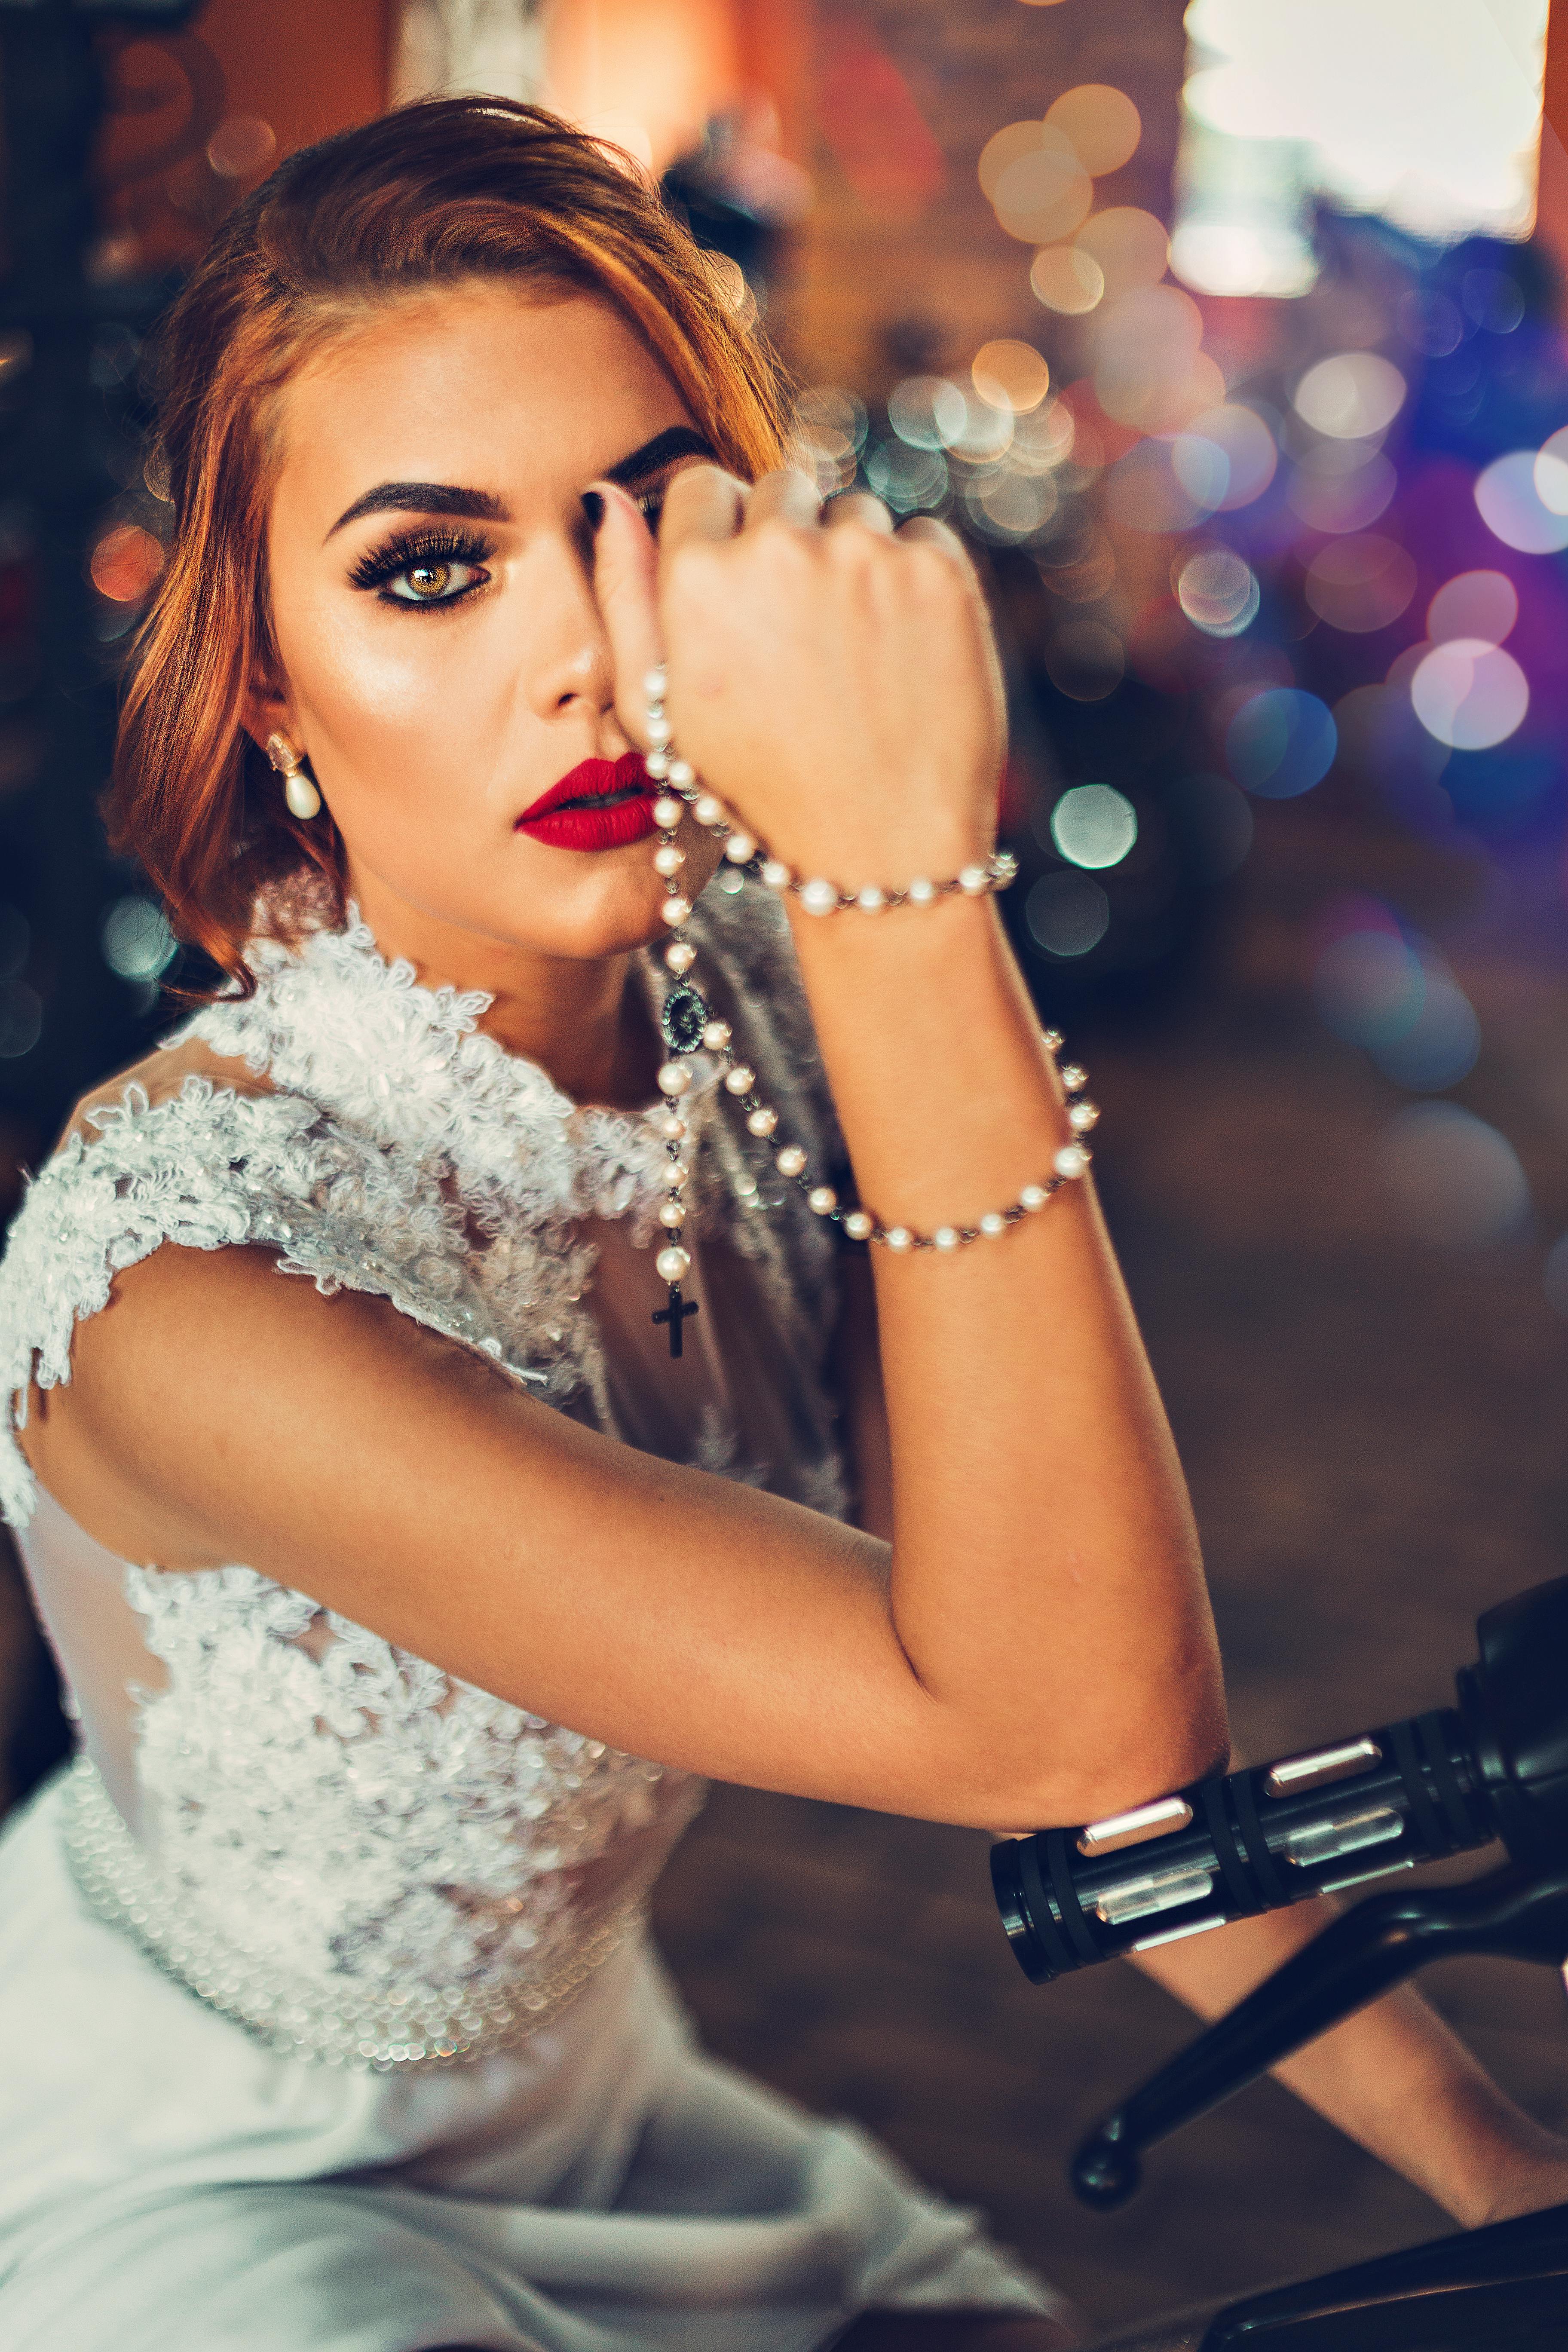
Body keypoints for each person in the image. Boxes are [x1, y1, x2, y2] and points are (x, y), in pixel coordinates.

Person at [0, 97, 1561, 2352]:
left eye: (647, 527)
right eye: (433, 567)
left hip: (607, 2110)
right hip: (213, 2190)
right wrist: (898, 880)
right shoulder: (191, 1284)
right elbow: (1049, 1726)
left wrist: (1490, 2151)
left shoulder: (741, 996)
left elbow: (1103, 1734)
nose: (585, 656)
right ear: (268, 693)